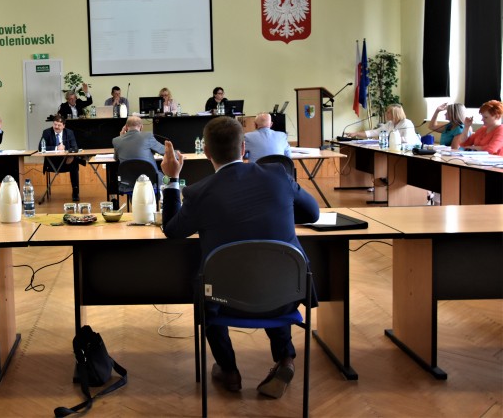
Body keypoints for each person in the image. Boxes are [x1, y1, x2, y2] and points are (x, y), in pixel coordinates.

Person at [161, 116, 319, 399]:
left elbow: (172, 230)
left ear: (206, 152)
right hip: (286, 293)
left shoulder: (199, 193)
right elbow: (313, 213)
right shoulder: (278, 175)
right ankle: (285, 358)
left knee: (208, 287)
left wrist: (172, 179)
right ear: (244, 148)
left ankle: (229, 370)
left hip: (224, 299)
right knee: (272, 275)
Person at [40, 115, 81, 201]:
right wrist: (56, 148)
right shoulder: (47, 132)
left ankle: (75, 191)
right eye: (55, 124)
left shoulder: (69, 132)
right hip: (52, 163)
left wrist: (70, 155)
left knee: (74, 163)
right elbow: (40, 147)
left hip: (67, 162)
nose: (56, 127)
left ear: (63, 126)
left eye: (59, 125)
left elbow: (75, 147)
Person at [112, 115, 165, 182]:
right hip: (149, 181)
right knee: (166, 178)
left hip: (127, 182)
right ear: (141, 127)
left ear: (126, 127)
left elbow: (115, 158)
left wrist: (121, 136)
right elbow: (165, 151)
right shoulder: (147, 136)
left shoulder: (116, 140)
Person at [346, 103, 421, 145]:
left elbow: (407, 140)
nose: (386, 114)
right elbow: (374, 132)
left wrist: (386, 138)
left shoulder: (407, 123)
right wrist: (356, 133)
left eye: (388, 112)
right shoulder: (390, 123)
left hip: (411, 151)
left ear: (395, 114)